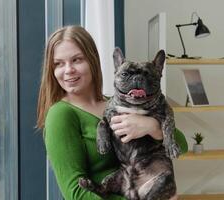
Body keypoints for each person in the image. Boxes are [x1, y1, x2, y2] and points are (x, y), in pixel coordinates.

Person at [36, 25, 186, 200]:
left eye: (76, 60)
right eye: (58, 63)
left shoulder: (118, 102)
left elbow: (182, 146)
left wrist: (153, 127)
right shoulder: (61, 114)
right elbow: (75, 194)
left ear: (92, 60)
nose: (68, 69)